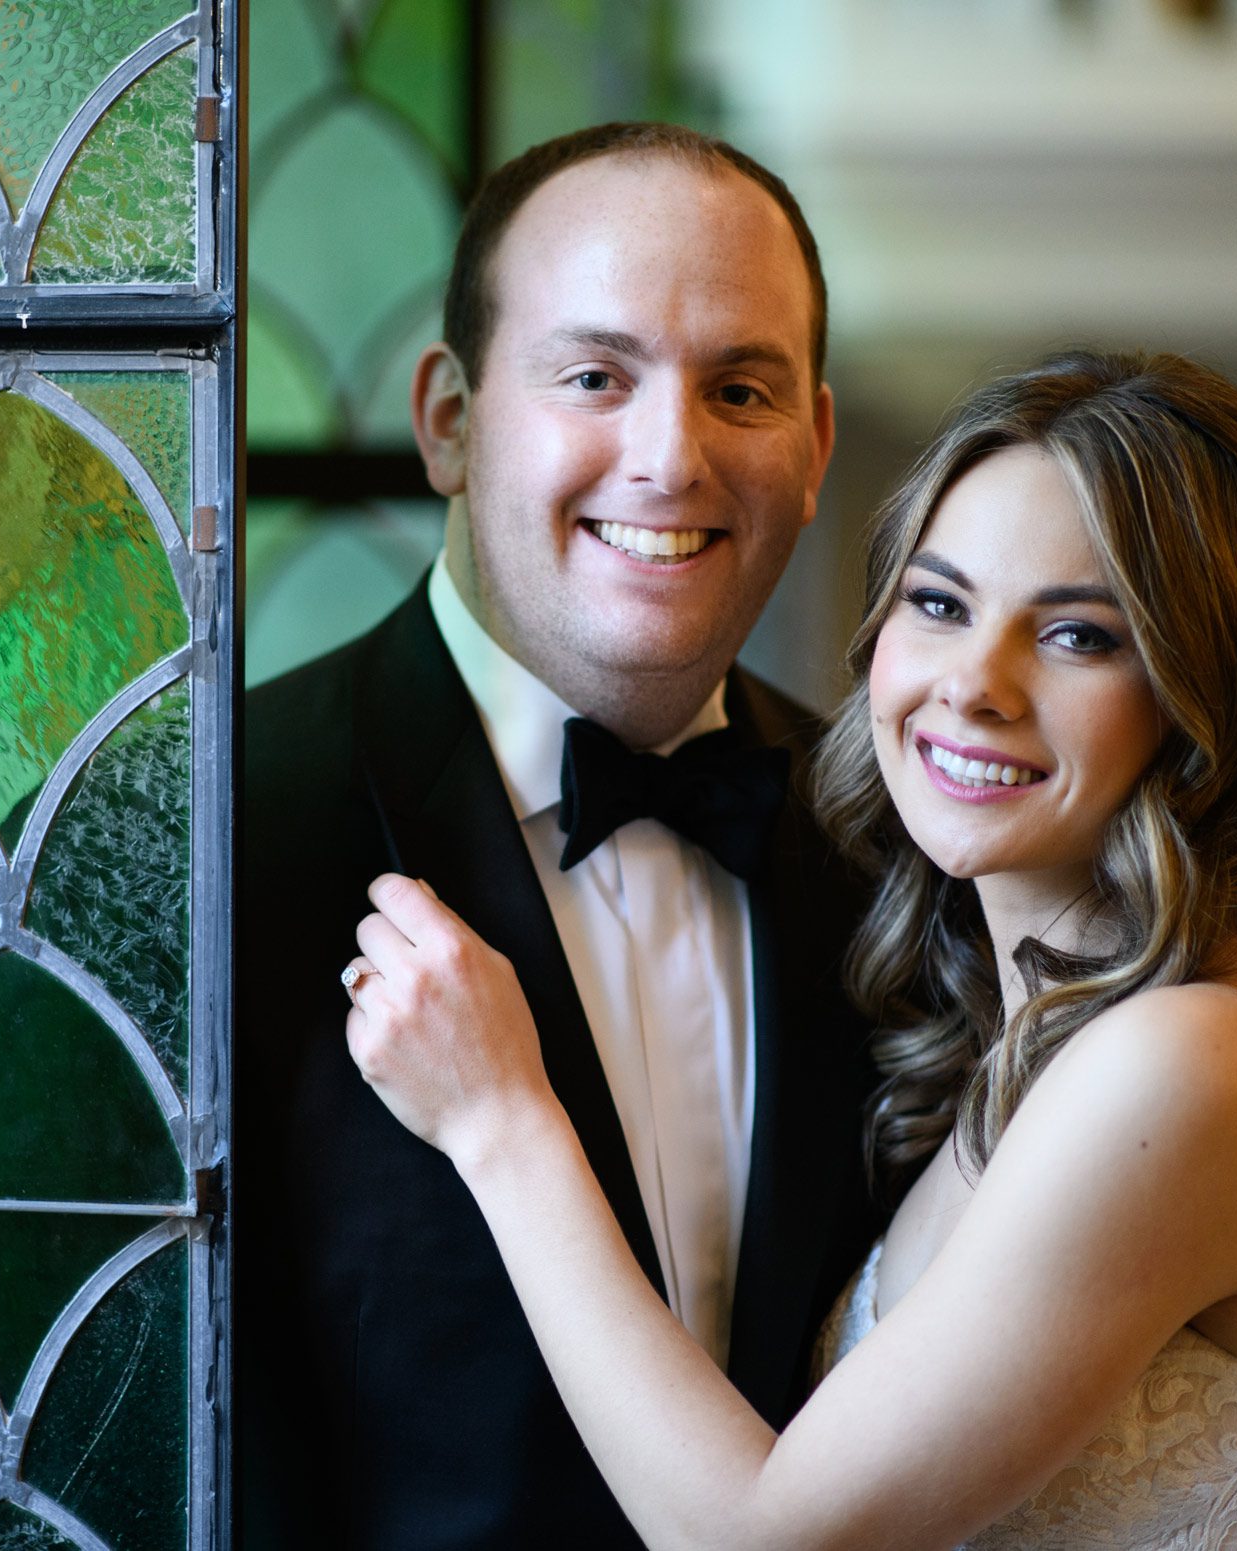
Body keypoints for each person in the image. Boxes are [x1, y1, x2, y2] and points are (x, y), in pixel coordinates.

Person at [342, 350, 1237, 1548]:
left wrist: (500, 1122)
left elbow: (762, 1540)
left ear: (1200, 706)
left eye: (1077, 637)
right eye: (940, 604)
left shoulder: (1190, 1063)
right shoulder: (1032, 1030)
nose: (974, 686)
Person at [239, 124, 885, 1548]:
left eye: (742, 387)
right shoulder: (202, 831)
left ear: (817, 443)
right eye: (595, 376)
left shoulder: (902, 843)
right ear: (450, 420)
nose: (671, 456)